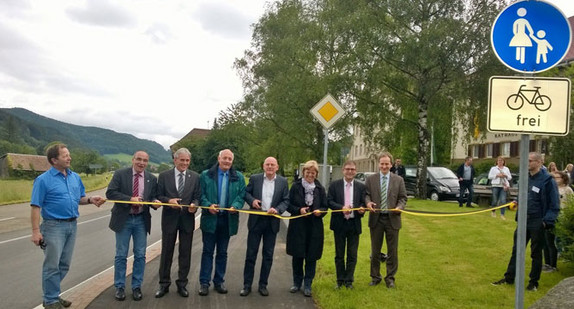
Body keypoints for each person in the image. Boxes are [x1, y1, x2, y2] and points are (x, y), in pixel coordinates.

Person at [30, 143, 105, 309]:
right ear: (54, 160)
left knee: (64, 264)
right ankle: (50, 300)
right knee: (52, 265)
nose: (69, 158)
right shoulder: (43, 180)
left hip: (72, 225)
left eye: (68, 155)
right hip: (52, 226)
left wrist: (91, 200)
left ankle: (53, 295)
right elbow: (36, 206)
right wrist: (36, 232)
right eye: (65, 156)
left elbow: (80, 198)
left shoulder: (74, 177)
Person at [492, 152, 560, 291]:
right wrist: (517, 202)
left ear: (539, 162)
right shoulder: (525, 178)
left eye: (529, 161)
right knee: (517, 250)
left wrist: (546, 222)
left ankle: (533, 283)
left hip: (538, 221)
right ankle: (509, 278)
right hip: (523, 219)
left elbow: (554, 205)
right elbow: (522, 195)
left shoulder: (547, 180)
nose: (527, 163)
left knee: (536, 253)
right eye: (526, 160)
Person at [106, 150, 159, 301]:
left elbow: (153, 197)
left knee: (140, 255)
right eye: (139, 159)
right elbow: (110, 193)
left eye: (145, 161)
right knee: (121, 255)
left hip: (141, 220)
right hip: (124, 219)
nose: (141, 163)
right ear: (133, 160)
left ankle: (137, 286)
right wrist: (130, 199)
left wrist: (155, 202)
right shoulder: (120, 174)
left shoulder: (151, 178)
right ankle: (120, 287)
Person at [198, 149, 246, 296]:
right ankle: (204, 283)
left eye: (229, 159)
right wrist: (208, 205)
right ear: (219, 159)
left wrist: (236, 206)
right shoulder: (206, 175)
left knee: (223, 252)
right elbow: (201, 195)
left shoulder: (238, 177)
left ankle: (219, 281)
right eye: (224, 158)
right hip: (210, 219)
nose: (227, 161)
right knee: (207, 252)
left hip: (227, 220)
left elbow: (241, 195)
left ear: (232, 161)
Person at [154, 148, 201, 299]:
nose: (185, 163)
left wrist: (194, 206)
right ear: (175, 160)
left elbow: (197, 197)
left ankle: (182, 284)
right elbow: (158, 195)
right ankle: (164, 284)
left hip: (187, 219)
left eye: (187, 160)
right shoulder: (164, 176)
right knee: (167, 252)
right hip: (169, 219)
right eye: (182, 160)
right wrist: (168, 201)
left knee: (185, 253)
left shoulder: (195, 177)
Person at [240, 157, 289, 297]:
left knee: (268, 256)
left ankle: (263, 285)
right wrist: (252, 201)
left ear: (277, 167)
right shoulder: (255, 179)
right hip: (256, 221)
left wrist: (278, 209)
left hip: (272, 222)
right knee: (251, 254)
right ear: (263, 166)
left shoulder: (283, 182)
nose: (270, 167)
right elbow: (246, 193)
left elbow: (286, 200)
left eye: (272, 165)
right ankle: (247, 285)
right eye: (267, 164)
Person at [365, 152, 407, 289]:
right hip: (376, 219)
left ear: (391, 164)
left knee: (392, 251)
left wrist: (399, 207)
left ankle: (390, 278)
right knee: (375, 250)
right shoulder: (371, 179)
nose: (384, 166)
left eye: (386, 163)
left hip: (392, 219)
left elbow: (403, 198)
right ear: (378, 164)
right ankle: (375, 277)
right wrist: (368, 203)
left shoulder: (398, 180)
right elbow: (366, 195)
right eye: (382, 163)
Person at [286, 160, 328, 297]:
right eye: (308, 172)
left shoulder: (320, 188)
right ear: (303, 172)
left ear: (316, 174)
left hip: (314, 227)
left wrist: (319, 211)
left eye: (313, 172)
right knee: (297, 255)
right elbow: (288, 205)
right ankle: (296, 283)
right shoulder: (295, 186)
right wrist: (299, 210)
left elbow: (325, 207)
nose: (310, 174)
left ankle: (308, 284)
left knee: (311, 256)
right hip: (298, 226)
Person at [327, 160, 366, 290]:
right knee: (339, 254)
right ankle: (340, 280)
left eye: (352, 169)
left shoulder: (361, 186)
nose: (350, 171)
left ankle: (349, 281)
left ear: (355, 171)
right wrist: (341, 207)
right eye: (347, 169)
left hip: (354, 224)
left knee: (352, 254)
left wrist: (361, 209)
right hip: (339, 223)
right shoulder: (334, 185)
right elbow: (329, 202)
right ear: (343, 170)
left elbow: (363, 203)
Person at [542, 171, 573, 273]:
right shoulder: (551, 188)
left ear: (563, 178)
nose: (555, 179)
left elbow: (570, 203)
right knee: (546, 241)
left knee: (553, 242)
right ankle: (547, 263)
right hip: (549, 216)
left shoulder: (567, 190)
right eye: (553, 178)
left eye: (557, 177)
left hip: (561, 216)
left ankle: (553, 265)